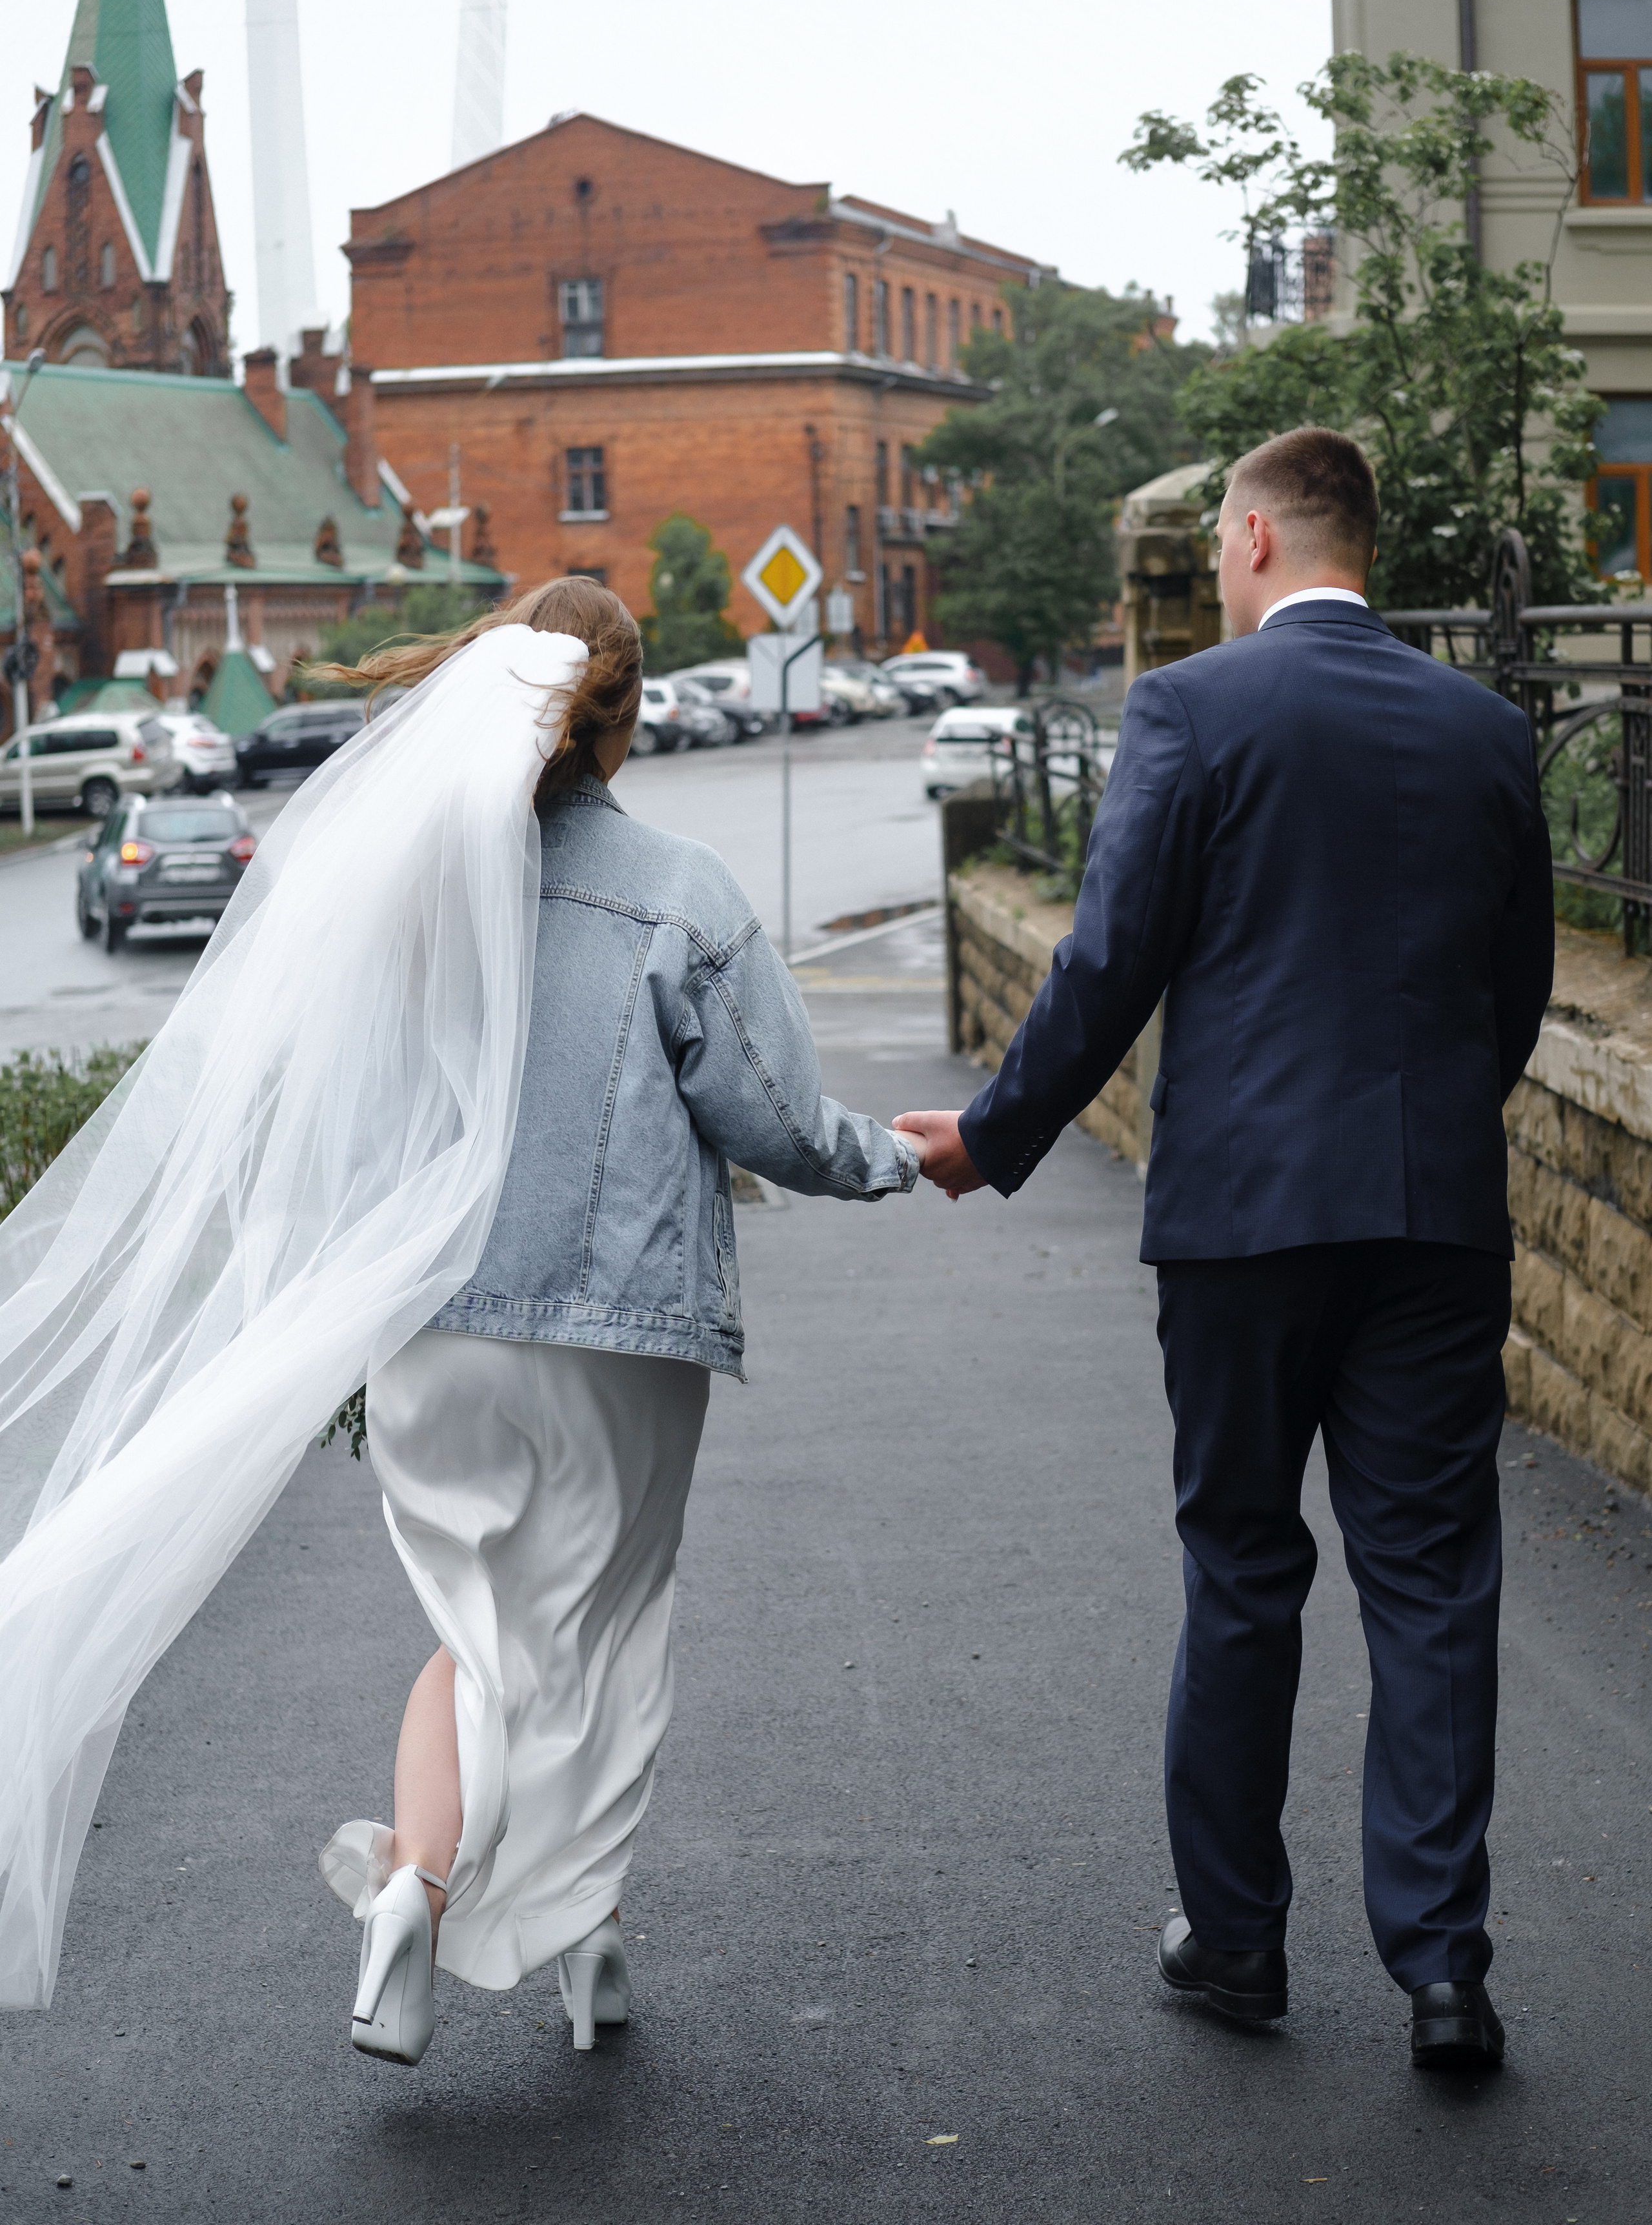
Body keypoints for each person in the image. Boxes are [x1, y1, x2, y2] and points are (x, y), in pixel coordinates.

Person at [0, 578, 924, 2060]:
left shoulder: (401, 893)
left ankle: (424, 1895)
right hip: (619, 1332)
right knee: (599, 1639)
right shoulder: (678, 890)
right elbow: (772, 1117)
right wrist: (902, 1157)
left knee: (483, 1642)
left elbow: (328, 1112)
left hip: (431, 1323)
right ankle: (570, 1934)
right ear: (623, 719)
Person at [897, 428, 1553, 2071]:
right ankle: (1442, 1972)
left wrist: (992, 1135)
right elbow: (1515, 986)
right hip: (1430, 1215)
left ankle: (1238, 1941)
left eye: (1217, 545)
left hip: (1243, 1220)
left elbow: (1111, 957)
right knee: (1429, 1583)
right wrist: (1429, 1127)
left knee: (1244, 1564)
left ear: (1253, 538)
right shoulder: (1483, 729)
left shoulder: (1188, 710)